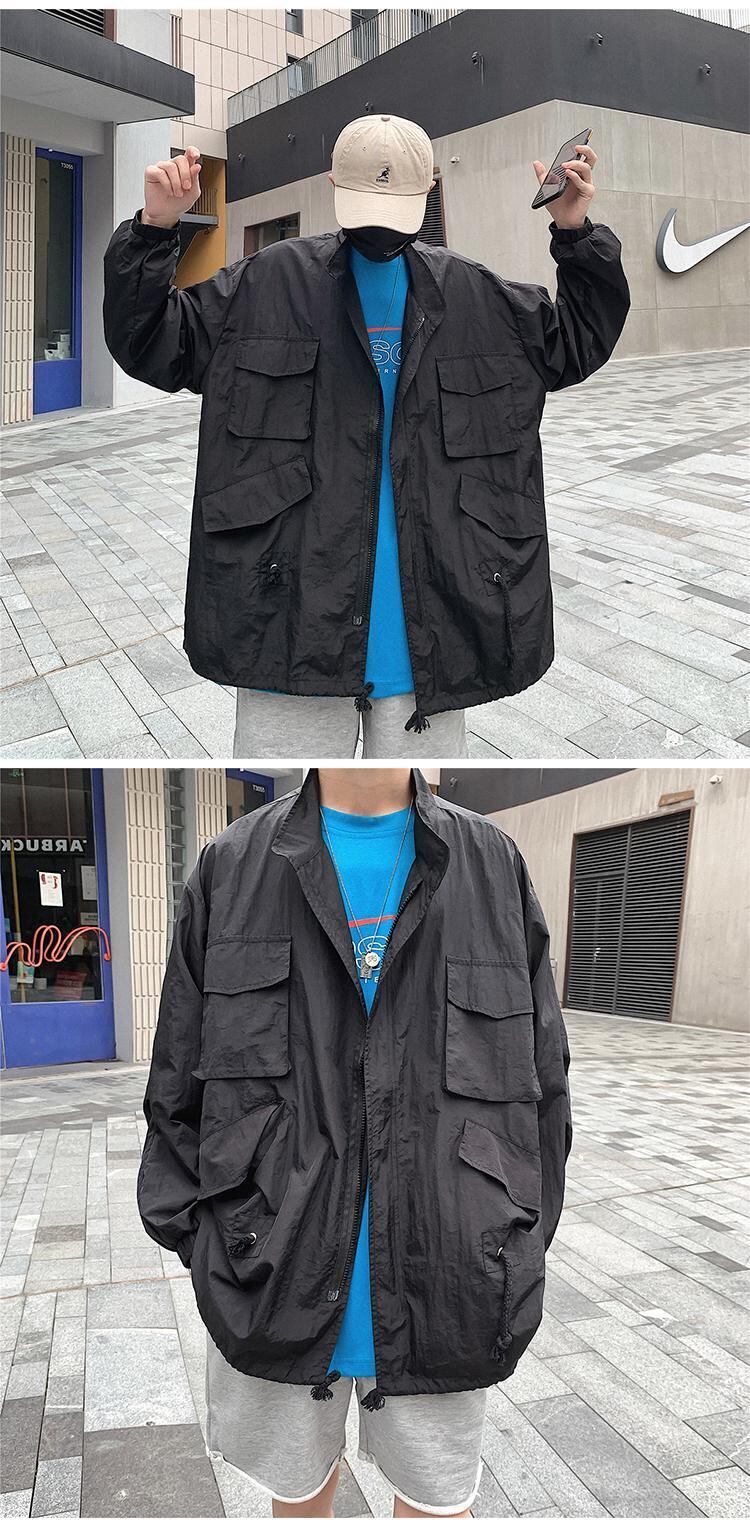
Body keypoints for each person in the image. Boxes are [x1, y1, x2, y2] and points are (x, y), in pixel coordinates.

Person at [104, 114, 630, 761]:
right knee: (284, 810)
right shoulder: (262, 288)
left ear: (429, 190)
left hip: (433, 644)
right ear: (333, 184)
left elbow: (576, 341)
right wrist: (155, 229)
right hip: (288, 630)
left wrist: (574, 232)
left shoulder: (480, 299)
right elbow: (149, 341)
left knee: (413, 805)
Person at [137, 766, 572, 1517]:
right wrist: (209, 1244)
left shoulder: (493, 866)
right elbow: (176, 1081)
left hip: (451, 1283)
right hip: (268, 1273)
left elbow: (544, 1087)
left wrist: (511, 1240)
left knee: (438, 1506)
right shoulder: (232, 866)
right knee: (296, 1501)